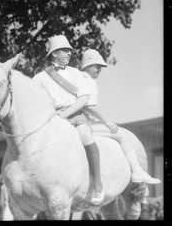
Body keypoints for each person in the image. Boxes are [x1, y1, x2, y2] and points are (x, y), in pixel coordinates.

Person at [32, 35, 104, 205]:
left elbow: (84, 98)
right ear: (54, 53)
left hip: (75, 114)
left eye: (69, 51)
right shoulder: (40, 78)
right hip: (52, 118)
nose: (69, 53)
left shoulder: (75, 73)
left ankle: (98, 185)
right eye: (65, 50)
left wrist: (67, 113)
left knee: (86, 135)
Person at [81, 49, 161, 184]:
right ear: (88, 65)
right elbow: (89, 106)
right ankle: (137, 171)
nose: (100, 70)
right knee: (120, 134)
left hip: (84, 122)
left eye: (101, 67)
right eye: (97, 66)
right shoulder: (88, 81)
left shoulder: (80, 78)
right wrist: (106, 121)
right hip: (87, 124)